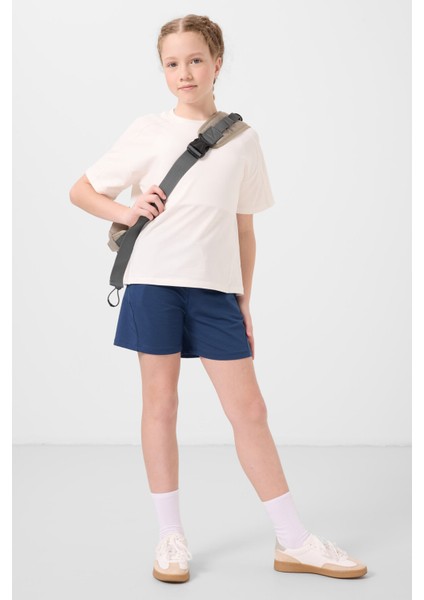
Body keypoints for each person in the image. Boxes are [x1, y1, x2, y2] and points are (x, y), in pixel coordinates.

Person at [69, 13, 367, 584]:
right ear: (162, 70)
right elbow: (81, 190)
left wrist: (244, 301)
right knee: (161, 406)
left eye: (195, 60)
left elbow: (244, 229)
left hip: (216, 292)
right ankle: (170, 537)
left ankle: (294, 541)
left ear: (217, 64)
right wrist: (125, 211)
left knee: (249, 410)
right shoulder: (148, 130)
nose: (184, 72)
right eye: (172, 63)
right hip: (153, 282)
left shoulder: (242, 140)